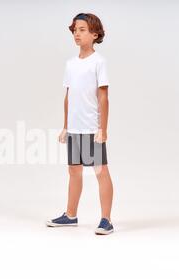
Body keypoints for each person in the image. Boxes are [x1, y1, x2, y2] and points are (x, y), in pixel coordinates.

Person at [46, 13, 114, 235]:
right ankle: (70, 215)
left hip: (91, 129)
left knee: (100, 171)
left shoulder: (99, 62)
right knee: (73, 171)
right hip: (74, 128)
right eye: (75, 29)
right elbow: (69, 96)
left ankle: (106, 219)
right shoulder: (70, 64)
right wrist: (66, 126)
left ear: (94, 34)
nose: (77, 33)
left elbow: (103, 97)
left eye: (82, 29)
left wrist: (102, 129)